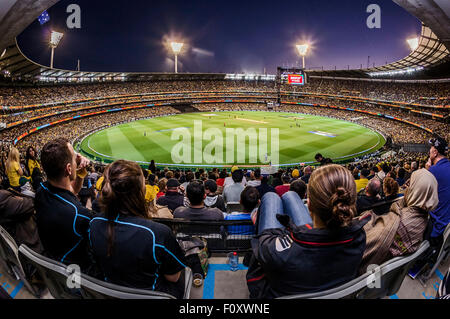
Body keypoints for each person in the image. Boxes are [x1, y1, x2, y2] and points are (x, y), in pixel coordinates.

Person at [247, 164, 368, 298]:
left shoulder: (278, 252)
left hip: (281, 284)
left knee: (271, 197)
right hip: (324, 266)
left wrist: (284, 233)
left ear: (308, 204)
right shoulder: (359, 237)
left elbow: (261, 256)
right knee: (291, 195)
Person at [89, 160, 187, 298]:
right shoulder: (157, 233)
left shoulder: (94, 223)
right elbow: (173, 277)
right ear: (141, 191)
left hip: (110, 291)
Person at [359, 169, 439, 274]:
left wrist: (367, 216)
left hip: (369, 270)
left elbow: (367, 242)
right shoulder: (423, 217)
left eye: (410, 185)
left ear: (416, 191)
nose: (407, 188)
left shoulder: (398, 223)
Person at [34, 138, 94, 269]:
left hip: (53, 257)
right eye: (74, 158)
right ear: (68, 169)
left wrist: (80, 171)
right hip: (75, 272)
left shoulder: (41, 190)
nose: (77, 159)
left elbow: (71, 191)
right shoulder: (79, 215)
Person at [426, 137, 450, 252]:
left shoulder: (432, 171)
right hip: (447, 225)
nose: (429, 150)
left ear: (435, 152)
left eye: (431, 148)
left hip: (437, 228)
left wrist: (427, 171)